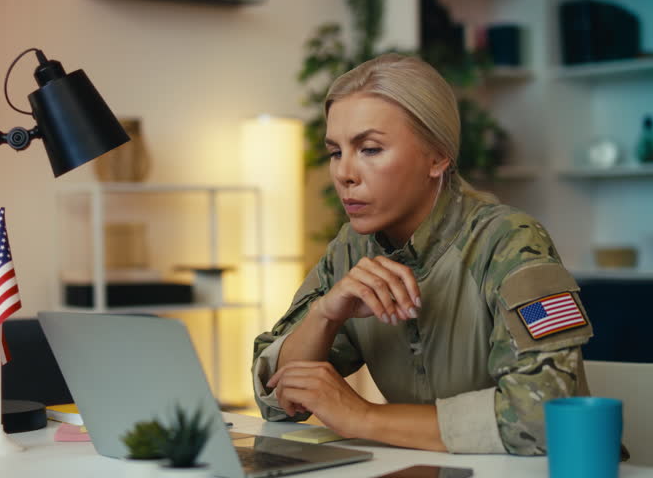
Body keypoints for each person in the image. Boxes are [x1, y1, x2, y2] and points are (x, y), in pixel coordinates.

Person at [251, 53, 593, 455]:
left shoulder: (512, 242)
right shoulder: (349, 249)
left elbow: (545, 419)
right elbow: (278, 400)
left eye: (371, 149)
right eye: (336, 152)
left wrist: (363, 417)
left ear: (438, 156)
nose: (344, 173)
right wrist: (326, 314)